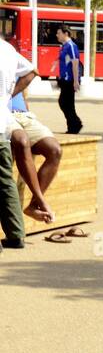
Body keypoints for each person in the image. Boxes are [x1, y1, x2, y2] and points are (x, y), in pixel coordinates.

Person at [7, 87, 62, 228]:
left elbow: (24, 91)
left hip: (23, 115)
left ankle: (33, 206)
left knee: (54, 150)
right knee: (21, 142)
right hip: (4, 115)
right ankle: (41, 200)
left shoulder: (14, 65)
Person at [0, 38, 31, 250]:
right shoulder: (7, 49)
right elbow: (31, 71)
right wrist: (10, 95)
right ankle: (16, 234)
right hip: (1, 121)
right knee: (5, 181)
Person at [55, 26, 83, 134]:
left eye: (59, 33)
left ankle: (75, 125)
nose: (57, 35)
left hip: (70, 79)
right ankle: (73, 125)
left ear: (65, 33)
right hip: (64, 79)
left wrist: (76, 81)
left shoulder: (71, 46)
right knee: (64, 103)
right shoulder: (64, 46)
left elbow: (75, 63)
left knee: (66, 103)